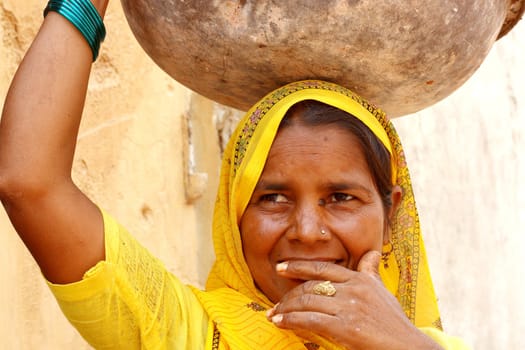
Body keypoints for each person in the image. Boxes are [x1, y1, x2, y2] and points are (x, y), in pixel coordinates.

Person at [0, 0, 470, 349]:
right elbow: (29, 182)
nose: (307, 232)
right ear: (233, 215)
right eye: (273, 199)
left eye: (341, 197)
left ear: (392, 215)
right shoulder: (184, 334)